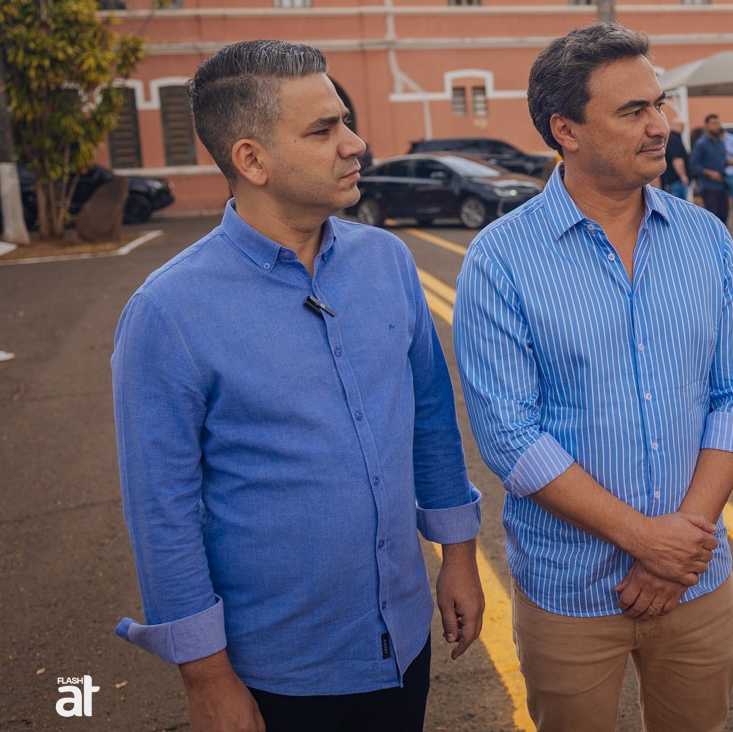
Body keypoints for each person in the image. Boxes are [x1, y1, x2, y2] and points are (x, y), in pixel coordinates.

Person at [112, 40, 484, 732]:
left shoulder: (387, 261)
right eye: (323, 130)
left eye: (346, 121)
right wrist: (206, 676)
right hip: (277, 675)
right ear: (251, 160)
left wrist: (458, 555)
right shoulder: (167, 313)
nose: (355, 143)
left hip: (404, 643)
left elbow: (431, 419)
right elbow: (162, 512)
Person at [453, 21, 733, 732]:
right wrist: (644, 539)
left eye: (658, 104)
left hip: (695, 580)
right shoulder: (501, 259)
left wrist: (679, 543)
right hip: (570, 591)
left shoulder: (706, 239)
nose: (660, 125)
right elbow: (509, 435)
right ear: (566, 129)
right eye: (633, 110)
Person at [690, 113, 733, 222]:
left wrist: (728, 162)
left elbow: (720, 161)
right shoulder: (701, 144)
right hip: (708, 186)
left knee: (724, 216)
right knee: (713, 219)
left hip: (722, 184)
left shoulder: (721, 143)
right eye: (713, 124)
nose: (716, 126)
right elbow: (694, 165)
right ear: (706, 126)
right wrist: (710, 173)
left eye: (718, 123)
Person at [661, 116, 691, 201]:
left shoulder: (672, 138)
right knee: (678, 204)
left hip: (672, 179)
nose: (682, 128)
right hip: (676, 180)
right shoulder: (674, 139)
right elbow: (677, 160)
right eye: (680, 125)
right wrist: (683, 176)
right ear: (674, 125)